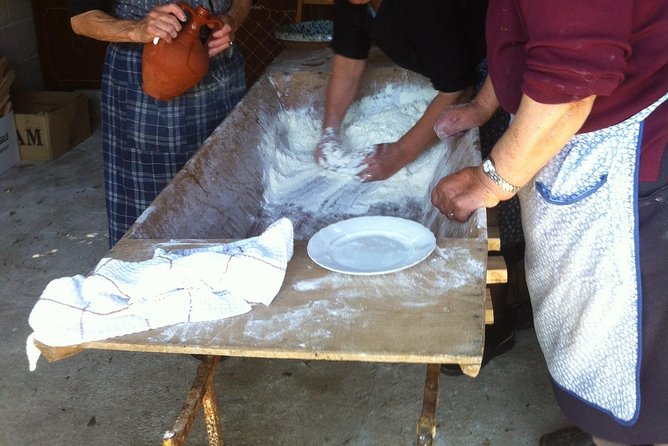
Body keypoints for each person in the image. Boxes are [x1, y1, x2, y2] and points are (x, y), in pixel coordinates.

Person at [430, 0, 668, 444]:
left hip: (629, 157)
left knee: (629, 363)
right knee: (589, 338)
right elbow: (525, 31)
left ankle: (621, 434)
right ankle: (605, 424)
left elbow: (572, 78)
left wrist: (490, 181)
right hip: (584, 138)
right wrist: (485, 105)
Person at [68, 0, 250, 246]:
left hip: (219, 67)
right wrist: (138, 29)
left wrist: (232, 19)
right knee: (150, 212)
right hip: (145, 72)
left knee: (223, 191)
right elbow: (80, 18)